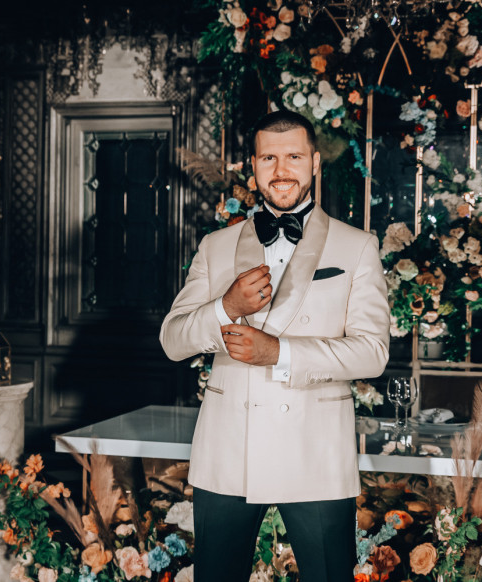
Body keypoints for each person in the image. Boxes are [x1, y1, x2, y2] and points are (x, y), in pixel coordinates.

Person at [160, 110, 390, 582]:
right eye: (269, 158)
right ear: (253, 166)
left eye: (294, 157)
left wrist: (280, 354)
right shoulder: (215, 246)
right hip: (227, 451)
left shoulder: (357, 247)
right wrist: (225, 306)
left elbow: (373, 352)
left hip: (316, 452)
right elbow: (172, 340)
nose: (281, 170)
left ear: (315, 163)